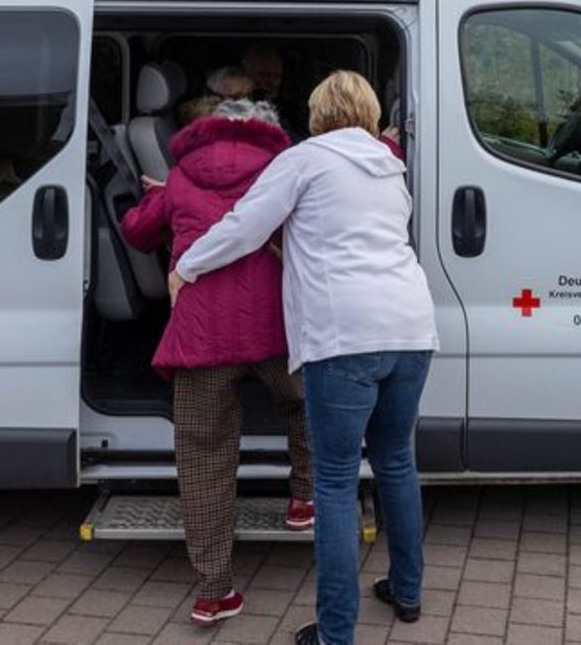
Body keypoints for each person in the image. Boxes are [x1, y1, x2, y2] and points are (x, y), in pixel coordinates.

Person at [169, 71, 438, 645]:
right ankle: (407, 591)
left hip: (345, 336)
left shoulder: (303, 159)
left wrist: (188, 264)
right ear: (365, 114)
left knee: (337, 483)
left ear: (317, 114)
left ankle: (337, 633)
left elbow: (244, 227)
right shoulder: (391, 168)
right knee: (396, 461)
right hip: (412, 329)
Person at [120, 97, 316, 628]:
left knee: (204, 460)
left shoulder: (181, 177)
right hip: (272, 326)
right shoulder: (286, 173)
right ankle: (304, 499)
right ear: (268, 131)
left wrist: (158, 202)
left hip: (200, 335)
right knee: (306, 404)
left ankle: (214, 592)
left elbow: (137, 233)